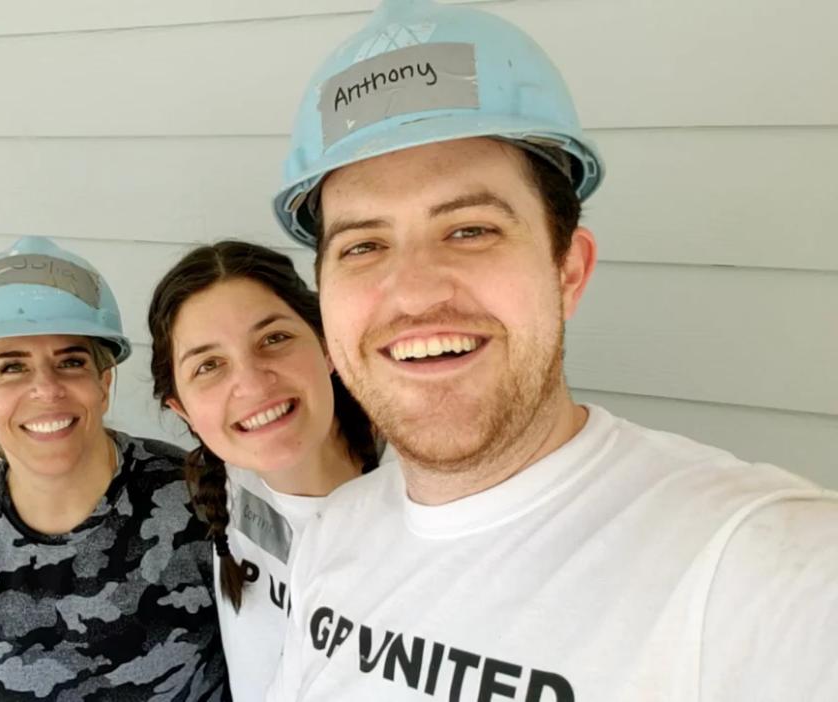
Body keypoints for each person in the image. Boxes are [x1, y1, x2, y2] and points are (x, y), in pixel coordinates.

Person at [264, 1, 838, 700]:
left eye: (470, 230)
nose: (411, 293)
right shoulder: (332, 534)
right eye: (362, 245)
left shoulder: (758, 566)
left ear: (568, 271)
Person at [0, 236, 228, 701]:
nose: (47, 389)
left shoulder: (200, 496)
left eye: (71, 361)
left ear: (104, 384)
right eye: (12, 368)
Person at [146, 241, 378, 701]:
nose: (252, 383)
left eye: (274, 339)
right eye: (209, 365)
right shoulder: (223, 481)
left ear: (328, 345)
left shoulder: (426, 496)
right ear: (183, 411)